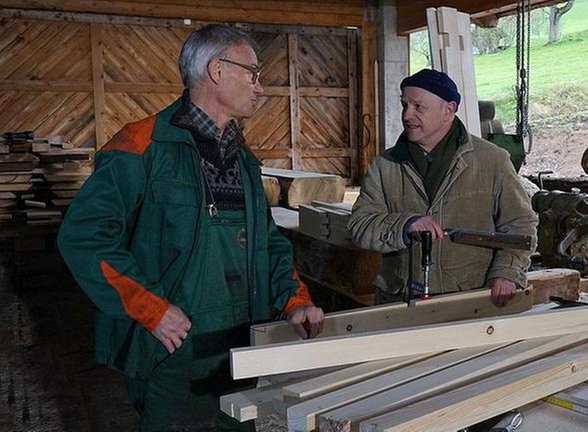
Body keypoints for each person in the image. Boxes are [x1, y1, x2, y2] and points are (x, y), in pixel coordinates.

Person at [57, 24, 324, 431]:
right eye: (253, 73)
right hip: (173, 353)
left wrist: (295, 300)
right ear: (217, 70)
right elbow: (84, 238)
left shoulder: (245, 161)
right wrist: (152, 311)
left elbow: (268, 243)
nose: (260, 87)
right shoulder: (140, 147)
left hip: (240, 347)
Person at [348, 69, 538, 307]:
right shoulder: (385, 165)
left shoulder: (493, 161)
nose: (407, 115)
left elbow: (521, 226)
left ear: (448, 110)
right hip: (401, 303)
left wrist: (507, 272)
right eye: (404, 105)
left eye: (418, 107)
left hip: (471, 299)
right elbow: (359, 226)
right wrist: (404, 225)